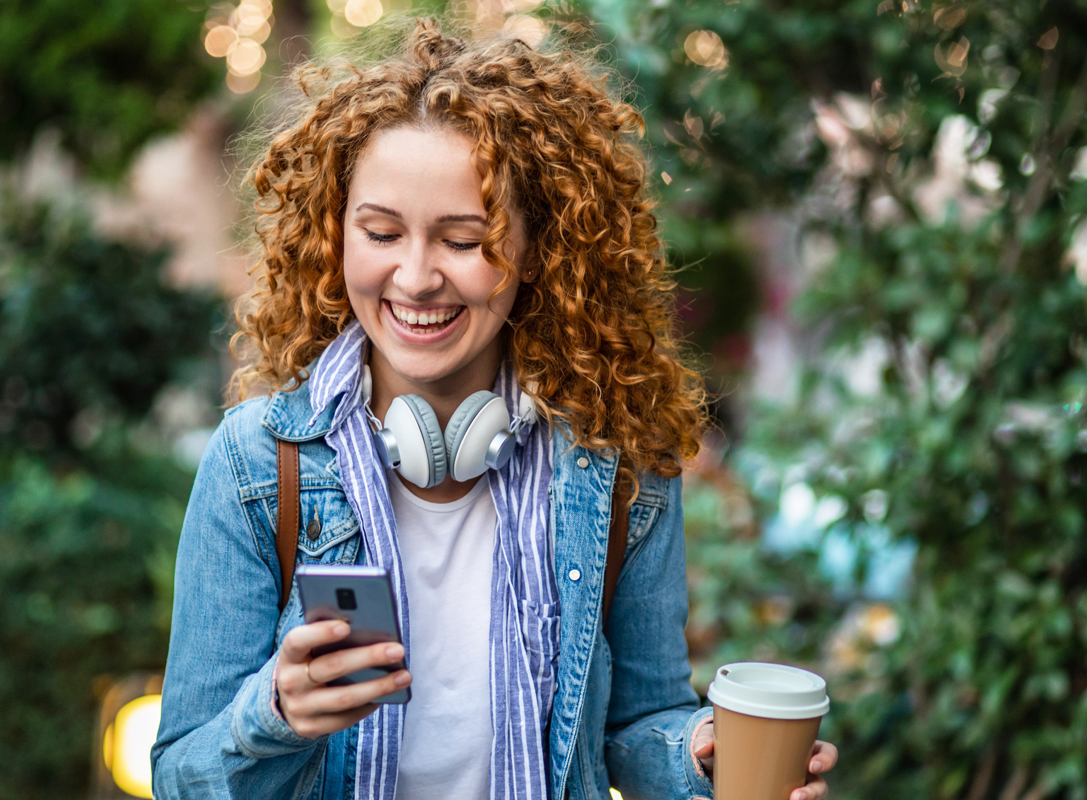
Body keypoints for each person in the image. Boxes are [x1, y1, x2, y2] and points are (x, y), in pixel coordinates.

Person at [151, 16, 837, 800]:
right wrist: (274, 713)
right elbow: (179, 776)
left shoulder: (621, 469)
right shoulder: (257, 465)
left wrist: (700, 760)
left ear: (541, 250)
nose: (414, 277)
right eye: (380, 232)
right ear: (335, 236)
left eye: (465, 240)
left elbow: (637, 726)